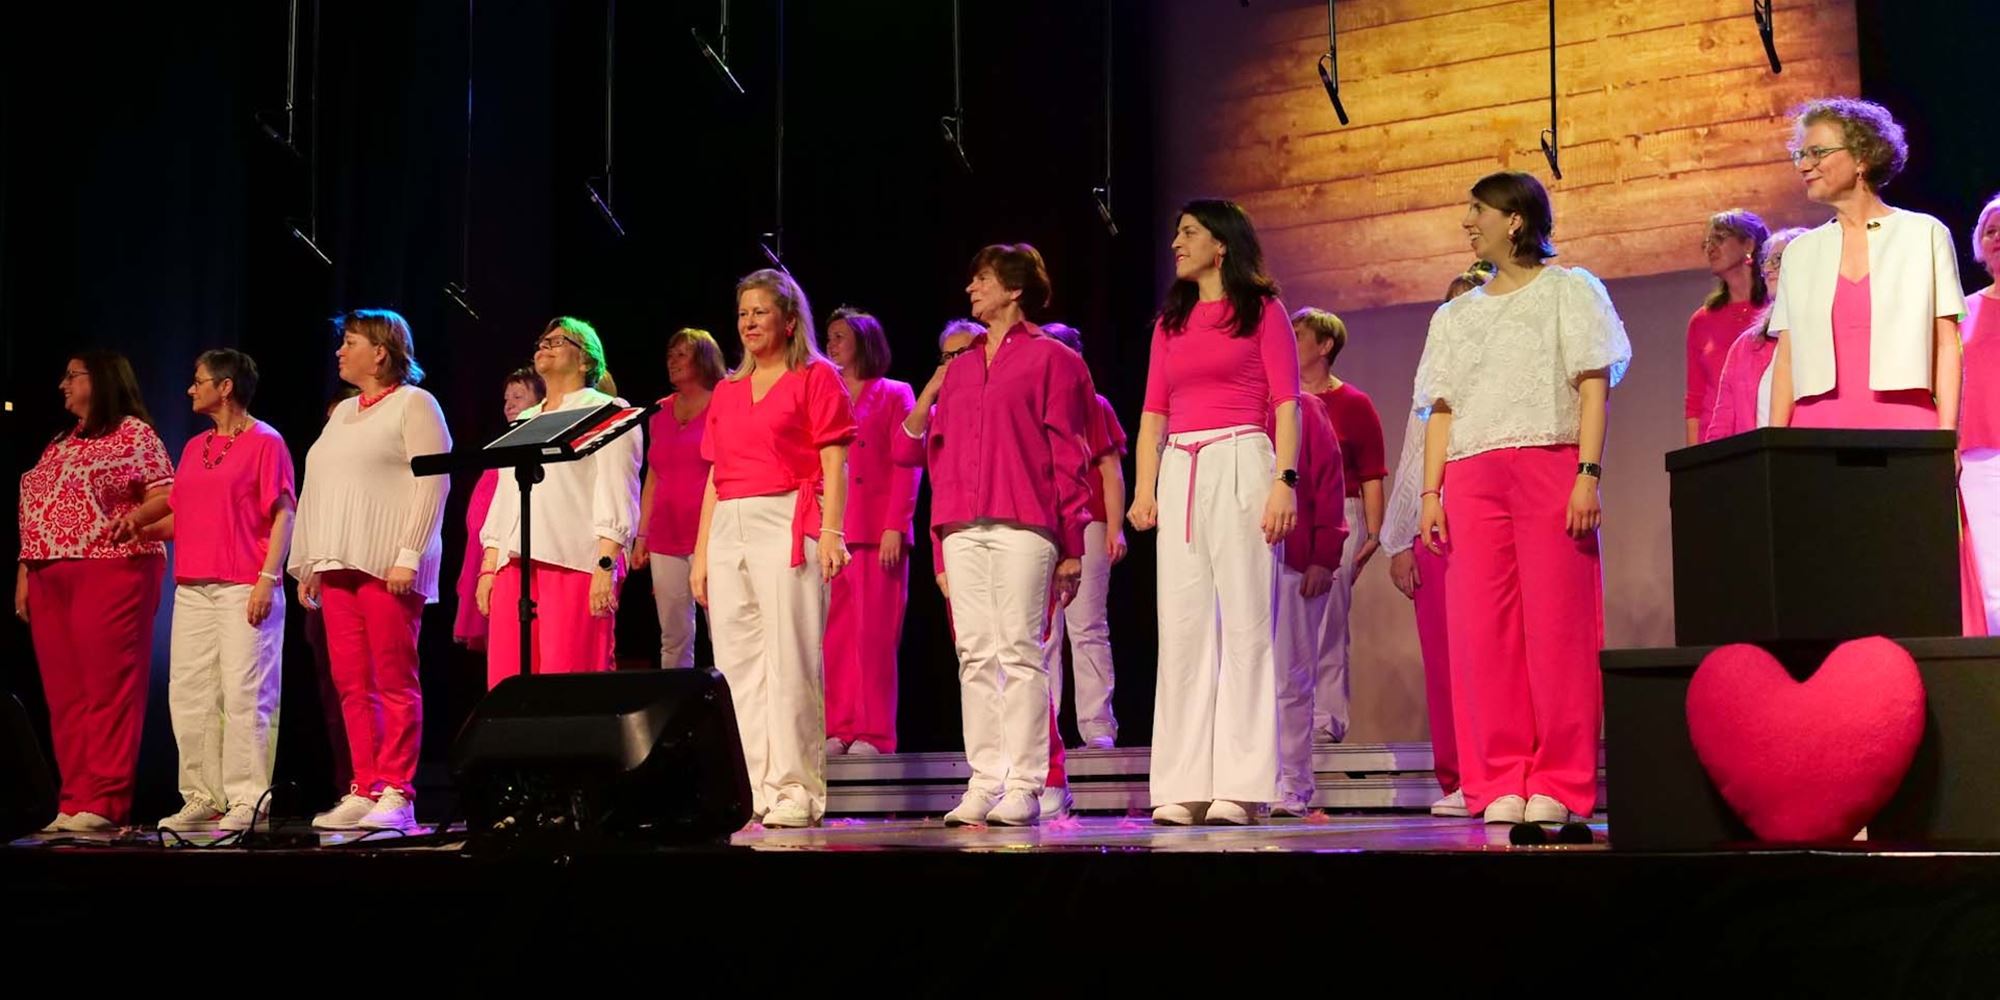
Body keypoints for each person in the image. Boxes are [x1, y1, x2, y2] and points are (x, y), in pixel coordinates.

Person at [1414, 171, 1631, 826]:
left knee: (1559, 628)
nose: (1466, 221)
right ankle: (1499, 777)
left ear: (1514, 219)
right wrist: (1430, 492)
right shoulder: (1454, 315)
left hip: (1549, 464)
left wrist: (1587, 472)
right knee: (1484, 633)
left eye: (1476, 209)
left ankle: (1559, 780)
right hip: (1470, 477)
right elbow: (1442, 410)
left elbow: (1593, 386)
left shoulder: (1570, 290)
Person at [897, 244, 1092, 827]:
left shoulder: (1054, 359)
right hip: (962, 527)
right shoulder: (958, 367)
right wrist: (939, 540)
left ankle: (1027, 784)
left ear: (1014, 288)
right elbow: (917, 452)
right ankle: (985, 780)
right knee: (975, 654)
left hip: (1025, 523)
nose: (971, 288)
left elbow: (1069, 454)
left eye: (982, 278)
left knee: (1021, 652)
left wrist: (1073, 544)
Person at [1129, 199, 1302, 827]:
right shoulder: (1170, 323)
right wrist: (1144, 488)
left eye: (1189, 232)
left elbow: (1287, 404)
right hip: (1182, 467)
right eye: (1176, 232)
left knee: (1246, 624)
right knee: (1182, 627)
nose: (1176, 242)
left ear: (1221, 243)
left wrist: (1284, 482)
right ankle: (1183, 782)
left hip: (1241, 459)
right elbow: (1153, 413)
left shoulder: (1263, 311)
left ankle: (1243, 783)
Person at [692, 269, 855, 829]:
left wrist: (831, 531)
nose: (749, 322)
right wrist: (701, 553)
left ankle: (795, 788)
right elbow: (714, 476)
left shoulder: (816, 376)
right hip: (729, 524)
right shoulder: (727, 390)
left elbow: (835, 459)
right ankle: (753, 788)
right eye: (743, 314)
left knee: (790, 659)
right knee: (736, 664)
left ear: (788, 321)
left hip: (788, 515)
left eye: (760, 312)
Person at [289, 309, 453, 832]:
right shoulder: (342, 412)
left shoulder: (415, 404)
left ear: (380, 352)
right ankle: (365, 785)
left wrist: (409, 553)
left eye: (351, 342)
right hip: (339, 562)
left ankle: (398, 791)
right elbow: (318, 486)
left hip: (387, 565)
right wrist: (311, 558)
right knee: (351, 682)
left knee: (393, 678)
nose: (340, 351)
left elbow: (433, 482)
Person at [15, 350, 175, 832]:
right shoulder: (61, 441)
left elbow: (168, 496)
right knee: (65, 695)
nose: (62, 384)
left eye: (72, 375)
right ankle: (74, 799)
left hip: (111, 568)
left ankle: (105, 801)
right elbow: (39, 509)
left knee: (107, 687)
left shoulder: (133, 434)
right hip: (48, 572)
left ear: (101, 379)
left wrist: (137, 521)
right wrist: (24, 571)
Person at [156, 349, 296, 833]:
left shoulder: (266, 442)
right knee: (190, 693)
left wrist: (267, 578)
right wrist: (138, 530)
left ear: (226, 386)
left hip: (243, 585)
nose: (190, 390)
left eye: (198, 381)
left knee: (245, 693)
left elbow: (284, 513)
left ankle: (247, 799)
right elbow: (184, 516)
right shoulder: (195, 446)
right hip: (193, 587)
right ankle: (202, 795)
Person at [1770, 98, 1962, 434]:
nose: (1804, 166)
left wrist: (1948, 436)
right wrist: (1774, 446)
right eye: (1800, 155)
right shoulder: (1799, 254)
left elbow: (1947, 345)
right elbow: (1786, 359)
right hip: (1817, 432)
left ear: (1862, 157)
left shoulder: (1924, 234)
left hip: (1907, 427)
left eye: (1817, 152)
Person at [1380, 262, 1493, 819]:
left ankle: (1498, 773)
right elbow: (1412, 455)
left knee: (1493, 656)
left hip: (1487, 522)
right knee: (1447, 662)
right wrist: (1400, 540)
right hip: (1436, 531)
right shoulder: (1435, 377)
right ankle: (1460, 776)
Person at [475, 317, 643, 689]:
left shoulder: (606, 410)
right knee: (509, 682)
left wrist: (605, 565)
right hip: (514, 565)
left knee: (566, 679)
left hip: (572, 563)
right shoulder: (525, 419)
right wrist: (489, 567)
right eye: (542, 341)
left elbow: (618, 491)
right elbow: (504, 497)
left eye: (558, 341)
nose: (545, 346)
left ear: (586, 360)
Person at [823, 308, 921, 756]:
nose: (831, 344)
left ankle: (875, 732)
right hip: (835, 531)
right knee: (836, 637)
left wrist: (895, 525)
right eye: (829, 337)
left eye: (840, 336)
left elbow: (907, 465)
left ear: (864, 341)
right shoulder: (828, 393)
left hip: (877, 531)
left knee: (874, 637)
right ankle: (839, 726)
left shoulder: (895, 393)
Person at [1293, 307, 1386, 745]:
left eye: (1298, 335)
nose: (1290, 342)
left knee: (1328, 619)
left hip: (1340, 514)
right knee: (1287, 620)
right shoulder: (1283, 401)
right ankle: (1290, 716)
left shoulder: (1354, 404)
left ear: (1325, 345)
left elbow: (1371, 474)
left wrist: (1373, 533)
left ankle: (1325, 719)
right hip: (1291, 514)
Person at [1039, 322, 1127, 751]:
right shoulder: (1030, 402)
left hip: (1087, 522)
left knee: (1087, 624)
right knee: (1043, 630)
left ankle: (1096, 725)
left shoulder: (1093, 405)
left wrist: (1115, 527)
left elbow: (1111, 471)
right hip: (1040, 524)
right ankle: (1044, 725)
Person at [1272, 384, 1346, 817]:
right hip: (1242, 568)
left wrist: (1324, 556)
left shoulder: (1304, 408)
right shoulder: (1233, 406)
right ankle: (1252, 781)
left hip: (1295, 564)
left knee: (1290, 680)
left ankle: (1292, 785)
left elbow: (1329, 482)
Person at [633, 329, 725, 669]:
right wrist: (642, 535)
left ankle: (732, 700)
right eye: (670, 355)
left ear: (704, 359)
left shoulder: (721, 402)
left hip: (710, 534)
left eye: (682, 354)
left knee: (722, 630)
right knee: (673, 636)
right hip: (665, 536)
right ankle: (677, 700)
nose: (672, 361)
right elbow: (653, 476)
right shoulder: (660, 410)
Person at [453, 368, 543, 651]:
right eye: (506, 399)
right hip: (487, 550)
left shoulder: (536, 450)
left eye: (518, 396)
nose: (509, 405)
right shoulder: (503, 447)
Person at [1704, 228, 1809, 441]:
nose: (1768, 269)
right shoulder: (1746, 346)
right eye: (1766, 261)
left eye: (1778, 259)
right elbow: (1721, 425)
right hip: (1759, 459)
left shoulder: (1825, 337)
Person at [1685, 210, 1772, 444]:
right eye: (1707, 243)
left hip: (1764, 435)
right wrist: (1694, 458)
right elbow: (1695, 401)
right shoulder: (1702, 320)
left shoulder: (1774, 310)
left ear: (1749, 244)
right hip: (1716, 443)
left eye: (1720, 238)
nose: (1710, 248)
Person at [1957, 195, 2000, 633]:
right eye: (1990, 230)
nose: (1998, 237)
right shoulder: (1962, 311)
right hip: (1980, 456)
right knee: (1992, 576)